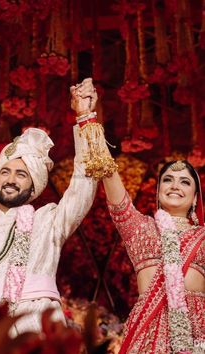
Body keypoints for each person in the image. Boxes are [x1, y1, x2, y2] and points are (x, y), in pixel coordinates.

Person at [0, 78, 115, 337]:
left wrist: (85, 119)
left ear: (34, 185)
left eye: (21, 174)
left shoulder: (47, 221)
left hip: (37, 330)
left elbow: (83, 186)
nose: (11, 179)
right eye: (5, 171)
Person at [86, 81, 204, 353]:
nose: (175, 185)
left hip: (198, 332)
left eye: (185, 182)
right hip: (147, 335)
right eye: (168, 180)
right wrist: (88, 120)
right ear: (158, 191)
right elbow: (108, 173)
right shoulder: (140, 229)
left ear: (196, 198)